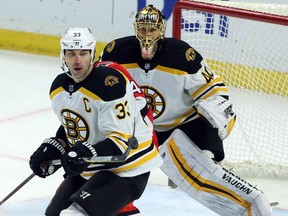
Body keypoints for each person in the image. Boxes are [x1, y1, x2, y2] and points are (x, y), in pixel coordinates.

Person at [100, 5, 273, 216]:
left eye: (152, 29)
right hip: (140, 129)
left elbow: (215, 92)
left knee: (209, 126)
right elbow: (100, 91)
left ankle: (208, 160)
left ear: (161, 30)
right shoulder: (115, 52)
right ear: (136, 28)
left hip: (182, 125)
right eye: (143, 29)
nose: (147, 35)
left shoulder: (183, 55)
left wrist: (218, 115)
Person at [29, 27, 162, 216]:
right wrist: (56, 147)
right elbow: (75, 127)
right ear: (62, 56)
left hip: (128, 168)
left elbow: (121, 142)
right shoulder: (59, 89)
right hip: (91, 167)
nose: (77, 60)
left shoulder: (109, 84)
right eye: (71, 53)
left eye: (83, 53)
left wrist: (84, 152)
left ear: (92, 54)